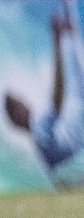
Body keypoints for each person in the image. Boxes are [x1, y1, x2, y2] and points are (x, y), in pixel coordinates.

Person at [5, 12, 84, 182]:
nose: (25, 103)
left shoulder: (38, 145)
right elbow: (58, 92)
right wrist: (57, 40)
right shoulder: (39, 128)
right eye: (20, 103)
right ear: (17, 116)